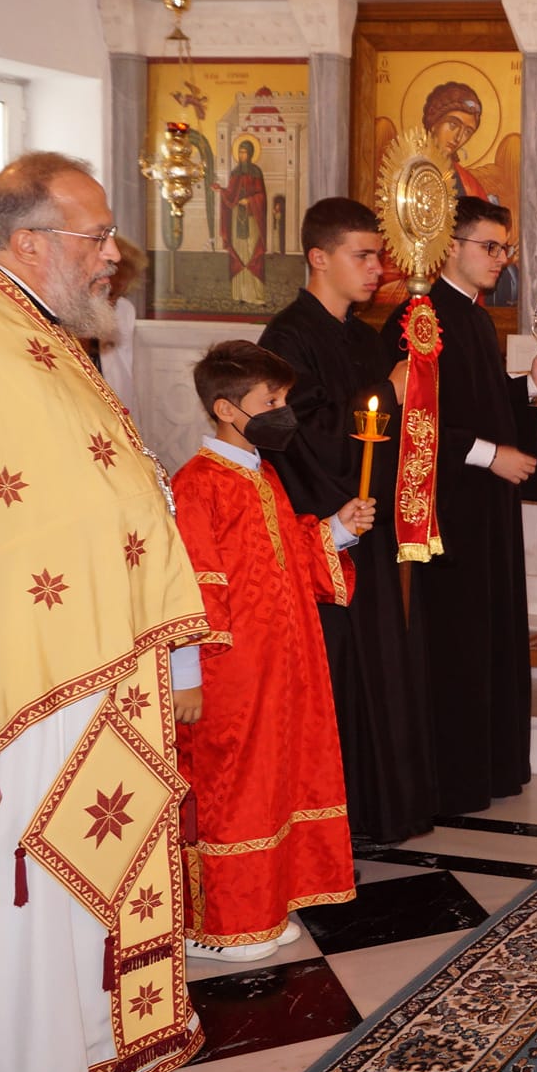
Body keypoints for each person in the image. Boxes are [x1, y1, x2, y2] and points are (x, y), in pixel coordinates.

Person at [0, 153, 208, 1072]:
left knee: (81, 868)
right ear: (30, 241)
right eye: (96, 236)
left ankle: (81, 1046)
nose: (113, 253)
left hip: (83, 657)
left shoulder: (31, 320)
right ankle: (23, 1067)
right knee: (27, 874)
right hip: (14, 684)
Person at [171, 341, 366, 961]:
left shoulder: (265, 475)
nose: (284, 411)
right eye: (271, 400)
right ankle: (222, 925)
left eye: (284, 399)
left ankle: (268, 903)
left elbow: (290, 557)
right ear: (227, 409)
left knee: (279, 782)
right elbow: (190, 584)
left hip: (284, 662)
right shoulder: (196, 484)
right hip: (230, 671)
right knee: (234, 789)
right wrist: (185, 673)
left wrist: (338, 529)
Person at [259, 198, 437, 847]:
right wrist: (389, 391)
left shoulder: (364, 338)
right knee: (334, 674)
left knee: (378, 669)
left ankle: (377, 810)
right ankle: (326, 817)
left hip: (371, 527)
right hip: (322, 534)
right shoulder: (285, 340)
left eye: (378, 256)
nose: (376, 269)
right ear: (319, 257)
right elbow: (297, 436)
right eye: (362, 256)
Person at [382, 196, 537, 812]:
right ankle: (454, 777)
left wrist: (529, 385)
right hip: (447, 512)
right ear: (448, 247)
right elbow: (414, 422)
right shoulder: (419, 317)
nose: (500, 259)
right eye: (489, 246)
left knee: (490, 634)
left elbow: (474, 398)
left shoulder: (475, 318)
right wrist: (490, 456)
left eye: (504, 248)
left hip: (485, 508)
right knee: (457, 642)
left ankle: (491, 767)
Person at [424, 81, 519, 308]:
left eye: (467, 131)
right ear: (434, 121)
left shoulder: (468, 183)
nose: (458, 137)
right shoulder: (408, 174)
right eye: (453, 124)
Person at [93, 235, 147, 409]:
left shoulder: (124, 310)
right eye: (109, 293)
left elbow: (127, 372)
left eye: (119, 293)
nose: (113, 302)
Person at [220, 137, 269, 305]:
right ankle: (239, 293)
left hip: (252, 218)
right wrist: (222, 191)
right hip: (237, 218)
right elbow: (230, 194)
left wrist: (249, 201)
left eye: (244, 152)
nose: (241, 156)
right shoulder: (234, 173)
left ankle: (255, 295)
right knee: (239, 252)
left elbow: (261, 196)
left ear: (250, 154)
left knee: (251, 251)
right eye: (240, 152)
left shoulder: (256, 172)